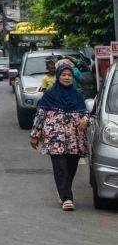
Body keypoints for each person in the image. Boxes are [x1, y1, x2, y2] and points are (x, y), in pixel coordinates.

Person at [31, 59, 91, 211]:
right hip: (55, 137)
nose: (66, 77)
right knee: (60, 167)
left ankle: (63, 189)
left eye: (69, 75)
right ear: (58, 76)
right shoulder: (50, 95)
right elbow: (40, 115)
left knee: (71, 167)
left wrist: (85, 119)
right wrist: (35, 134)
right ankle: (67, 198)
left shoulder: (77, 95)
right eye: (63, 75)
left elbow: (85, 112)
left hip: (74, 138)